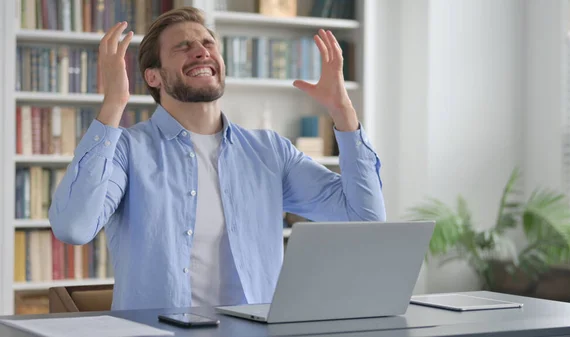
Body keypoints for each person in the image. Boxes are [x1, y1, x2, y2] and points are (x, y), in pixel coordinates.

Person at [49, 6, 385, 311]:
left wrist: (343, 111)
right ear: (154, 77)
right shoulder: (127, 150)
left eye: (208, 43)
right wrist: (114, 103)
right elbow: (74, 227)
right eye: (182, 47)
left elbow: (365, 218)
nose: (200, 51)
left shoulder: (270, 151)